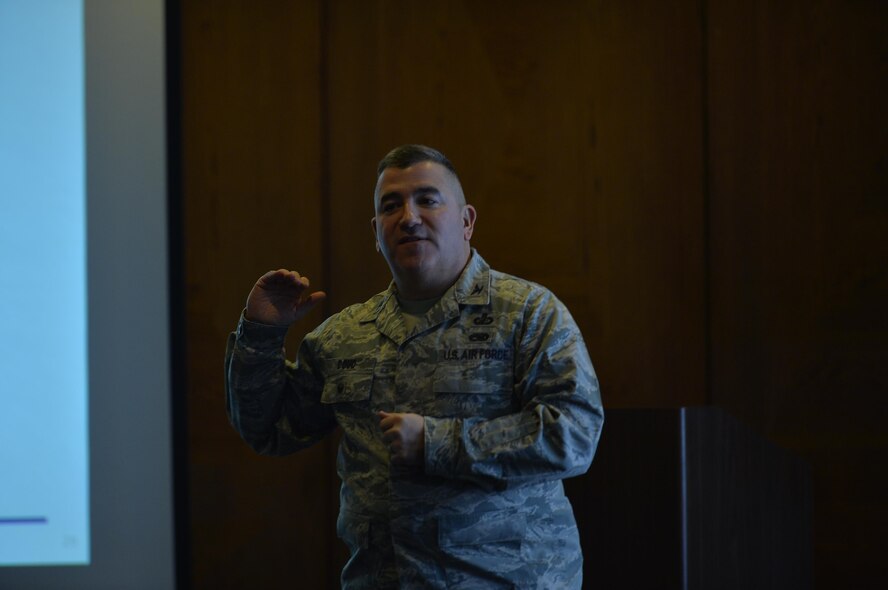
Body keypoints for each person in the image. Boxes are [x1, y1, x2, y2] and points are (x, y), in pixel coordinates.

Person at [225, 144, 604, 589]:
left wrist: (436, 443)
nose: (408, 217)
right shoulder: (345, 334)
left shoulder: (527, 314)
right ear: (376, 231)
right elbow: (270, 429)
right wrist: (260, 334)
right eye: (391, 205)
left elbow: (575, 434)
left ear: (466, 222)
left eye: (427, 199)